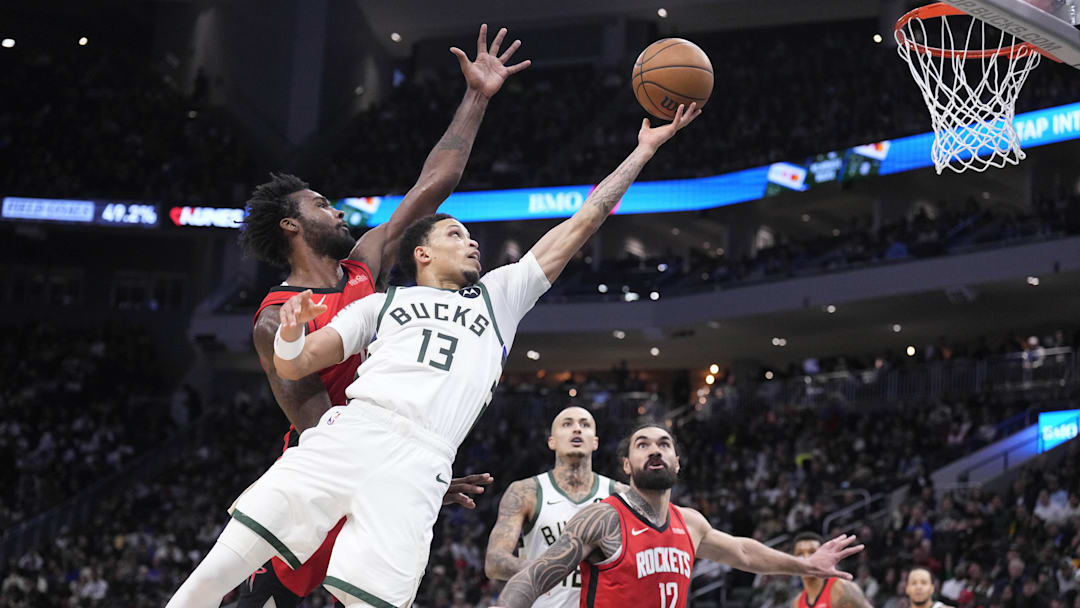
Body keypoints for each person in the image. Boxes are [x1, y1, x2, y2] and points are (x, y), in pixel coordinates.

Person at [166, 100, 702, 607]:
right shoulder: (383, 301)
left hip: (423, 461)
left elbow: (586, 219)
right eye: (457, 233)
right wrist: (290, 332)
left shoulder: (501, 297)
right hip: (348, 433)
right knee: (216, 572)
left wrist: (643, 151)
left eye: (471, 236)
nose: (472, 243)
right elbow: (296, 365)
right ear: (422, 253)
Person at [229, 23, 528, 608]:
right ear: (292, 226)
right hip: (324, 460)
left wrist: (475, 97)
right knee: (271, 600)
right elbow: (315, 417)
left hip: (382, 454)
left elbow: (434, 182)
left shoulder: (366, 261)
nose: (335, 209)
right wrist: (405, 468)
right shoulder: (274, 320)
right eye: (319, 205)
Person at [495, 423, 865, 608]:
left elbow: (745, 553)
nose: (654, 451)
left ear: (677, 463)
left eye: (664, 445)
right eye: (643, 445)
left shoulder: (689, 522)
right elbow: (533, 578)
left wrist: (808, 565)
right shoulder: (602, 519)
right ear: (627, 465)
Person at [485, 407, 626, 607]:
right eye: (567, 424)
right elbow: (494, 562)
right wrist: (552, 568)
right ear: (552, 441)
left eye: (585, 425)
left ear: (595, 442)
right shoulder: (526, 492)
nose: (577, 429)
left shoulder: (620, 494)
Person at [789, 532, 872, 608]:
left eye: (812, 552)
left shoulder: (842, 588)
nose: (806, 558)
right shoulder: (798, 603)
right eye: (800, 553)